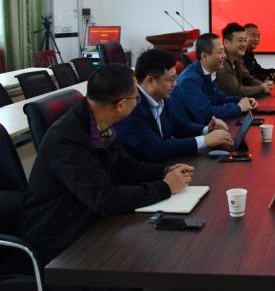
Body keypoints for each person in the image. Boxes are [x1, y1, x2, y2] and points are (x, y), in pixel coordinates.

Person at [18, 64, 194, 265]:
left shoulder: (97, 122)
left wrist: (163, 172)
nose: (138, 102)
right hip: (60, 242)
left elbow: (123, 166)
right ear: (120, 105)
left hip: (90, 221)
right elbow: (105, 199)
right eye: (136, 98)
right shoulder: (65, 140)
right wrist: (165, 187)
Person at [115, 49, 233, 163]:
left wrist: (207, 129)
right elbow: (155, 148)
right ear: (150, 81)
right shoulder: (132, 106)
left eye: (175, 78)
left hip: (165, 165)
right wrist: (205, 141)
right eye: (171, 79)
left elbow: (178, 125)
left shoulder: (161, 96)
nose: (175, 84)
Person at [169, 33, 256, 125]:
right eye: (220, 52)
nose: (224, 56)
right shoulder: (189, 80)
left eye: (224, 51)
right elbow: (206, 113)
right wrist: (239, 108)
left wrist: (242, 100)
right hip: (193, 130)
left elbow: (220, 98)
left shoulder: (209, 72)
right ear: (204, 56)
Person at [217, 22, 273, 97]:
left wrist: (264, 85)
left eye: (245, 40)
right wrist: (262, 88)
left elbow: (248, 79)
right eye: (240, 41)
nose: (244, 44)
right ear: (226, 43)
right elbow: (236, 91)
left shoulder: (237, 59)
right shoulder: (222, 63)